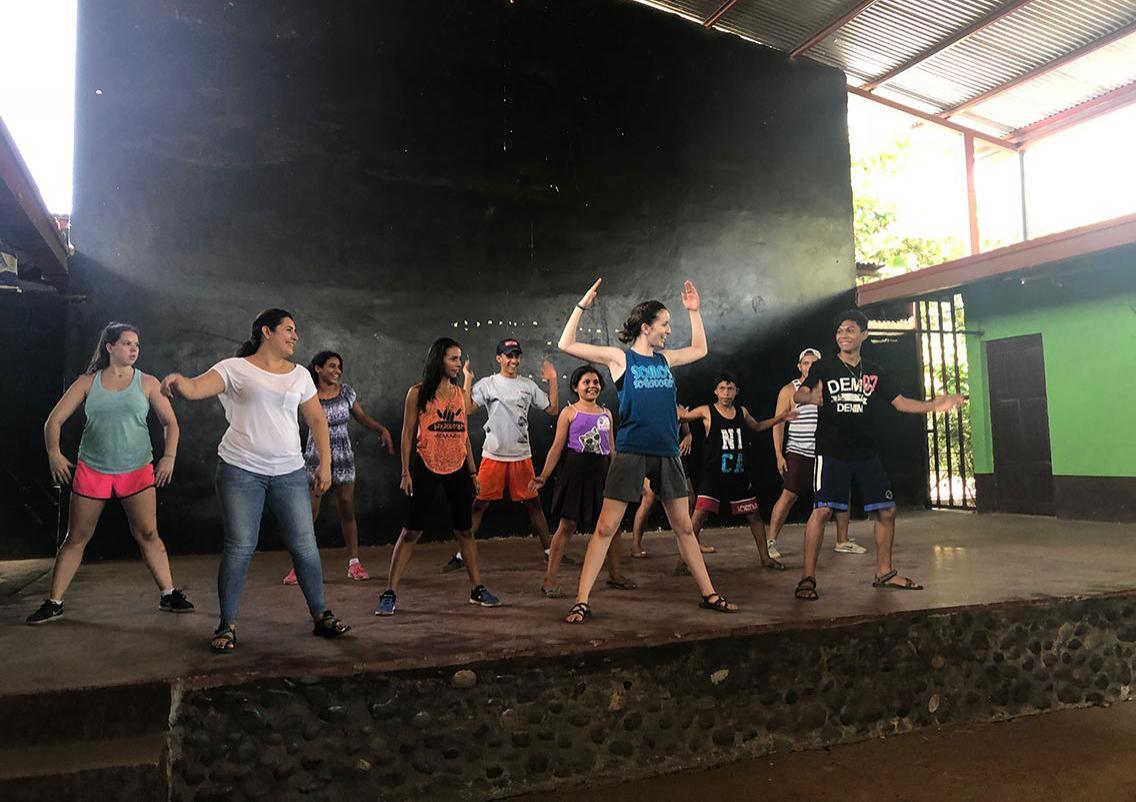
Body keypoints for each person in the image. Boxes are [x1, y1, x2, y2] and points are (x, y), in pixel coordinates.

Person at [161, 308, 351, 650]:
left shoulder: (300, 375)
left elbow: (317, 420)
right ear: (267, 331)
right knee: (240, 547)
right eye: (289, 329)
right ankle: (226, 625)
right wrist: (179, 382)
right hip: (240, 470)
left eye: (295, 330)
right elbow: (197, 387)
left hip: (290, 472)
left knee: (305, 547)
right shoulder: (235, 368)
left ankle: (321, 615)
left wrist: (326, 465)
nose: (295, 336)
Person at [557, 278, 737, 623]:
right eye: (664, 324)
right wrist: (582, 306)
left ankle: (709, 594)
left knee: (684, 528)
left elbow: (700, 349)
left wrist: (695, 311)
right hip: (631, 450)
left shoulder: (664, 360)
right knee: (606, 528)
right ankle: (581, 601)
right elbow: (566, 343)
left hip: (667, 452)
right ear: (645, 327)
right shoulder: (620, 359)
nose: (669, 330)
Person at [27, 323, 193, 624]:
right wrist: (54, 453)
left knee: (148, 534)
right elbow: (54, 421)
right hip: (93, 469)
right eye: (127, 343)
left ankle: (169, 594)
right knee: (76, 537)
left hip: (137, 469)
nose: (134, 349)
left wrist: (169, 457)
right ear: (110, 347)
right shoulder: (87, 383)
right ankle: (54, 602)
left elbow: (171, 422)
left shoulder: (148, 382)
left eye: (137, 345)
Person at [793, 309, 964, 601]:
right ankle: (807, 578)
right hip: (831, 451)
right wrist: (810, 397)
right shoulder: (824, 367)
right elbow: (799, 394)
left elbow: (901, 403)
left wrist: (934, 405)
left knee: (887, 510)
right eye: (839, 331)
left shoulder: (874, 371)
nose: (843, 336)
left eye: (850, 330)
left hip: (866, 452)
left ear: (864, 334)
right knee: (822, 511)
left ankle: (884, 573)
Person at [375, 338, 502, 616]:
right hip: (426, 465)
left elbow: (464, 435)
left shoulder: (460, 395)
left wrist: (472, 471)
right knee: (411, 531)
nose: (458, 364)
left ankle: (477, 589)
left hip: (458, 467)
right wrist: (406, 471)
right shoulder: (417, 393)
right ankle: (389, 592)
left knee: (465, 530)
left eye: (459, 358)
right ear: (439, 360)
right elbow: (407, 434)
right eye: (453, 359)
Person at [440, 338, 558, 573]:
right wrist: (468, 378)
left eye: (516, 356)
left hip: (521, 455)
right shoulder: (488, 383)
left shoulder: (527, 385)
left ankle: (550, 552)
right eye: (508, 356)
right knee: (479, 505)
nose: (513, 360)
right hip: (493, 455)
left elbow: (553, 409)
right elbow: (468, 408)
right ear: (499, 358)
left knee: (534, 504)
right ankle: (462, 555)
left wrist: (553, 379)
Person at [281, 350, 395, 585]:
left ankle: (354, 563)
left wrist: (382, 429)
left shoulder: (346, 392)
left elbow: (362, 417)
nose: (337, 371)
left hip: (343, 457)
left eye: (339, 367)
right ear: (318, 368)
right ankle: (299, 566)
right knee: (308, 514)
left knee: (346, 509)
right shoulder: (307, 394)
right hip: (316, 458)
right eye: (331, 366)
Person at [530, 364, 634, 597]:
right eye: (586, 382)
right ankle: (549, 580)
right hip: (575, 474)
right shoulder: (569, 413)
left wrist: (620, 475)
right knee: (567, 525)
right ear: (576, 387)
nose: (592, 386)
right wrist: (543, 476)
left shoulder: (606, 414)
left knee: (612, 526)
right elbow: (557, 448)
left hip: (602, 475)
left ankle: (615, 575)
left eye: (596, 382)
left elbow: (611, 449)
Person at [677, 371, 794, 569]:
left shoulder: (742, 412)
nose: (726, 393)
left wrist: (780, 418)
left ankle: (765, 558)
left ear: (736, 391)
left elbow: (757, 427)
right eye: (722, 388)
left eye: (730, 389)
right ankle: (682, 562)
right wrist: (682, 420)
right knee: (698, 518)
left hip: (738, 475)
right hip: (713, 477)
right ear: (715, 391)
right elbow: (683, 419)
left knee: (754, 516)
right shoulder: (706, 411)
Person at [766, 349, 856, 560]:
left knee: (842, 493)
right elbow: (778, 425)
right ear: (799, 366)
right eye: (805, 363)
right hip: (799, 451)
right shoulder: (789, 390)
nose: (809, 367)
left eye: (813, 363)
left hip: (826, 452)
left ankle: (842, 540)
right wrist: (779, 455)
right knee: (789, 495)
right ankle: (771, 541)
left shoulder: (829, 387)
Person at [629, 422, 694, 558]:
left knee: (689, 498)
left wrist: (688, 437)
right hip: (650, 454)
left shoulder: (677, 410)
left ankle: (692, 543)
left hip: (673, 455)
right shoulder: (647, 410)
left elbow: (686, 430)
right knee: (649, 498)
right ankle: (635, 545)